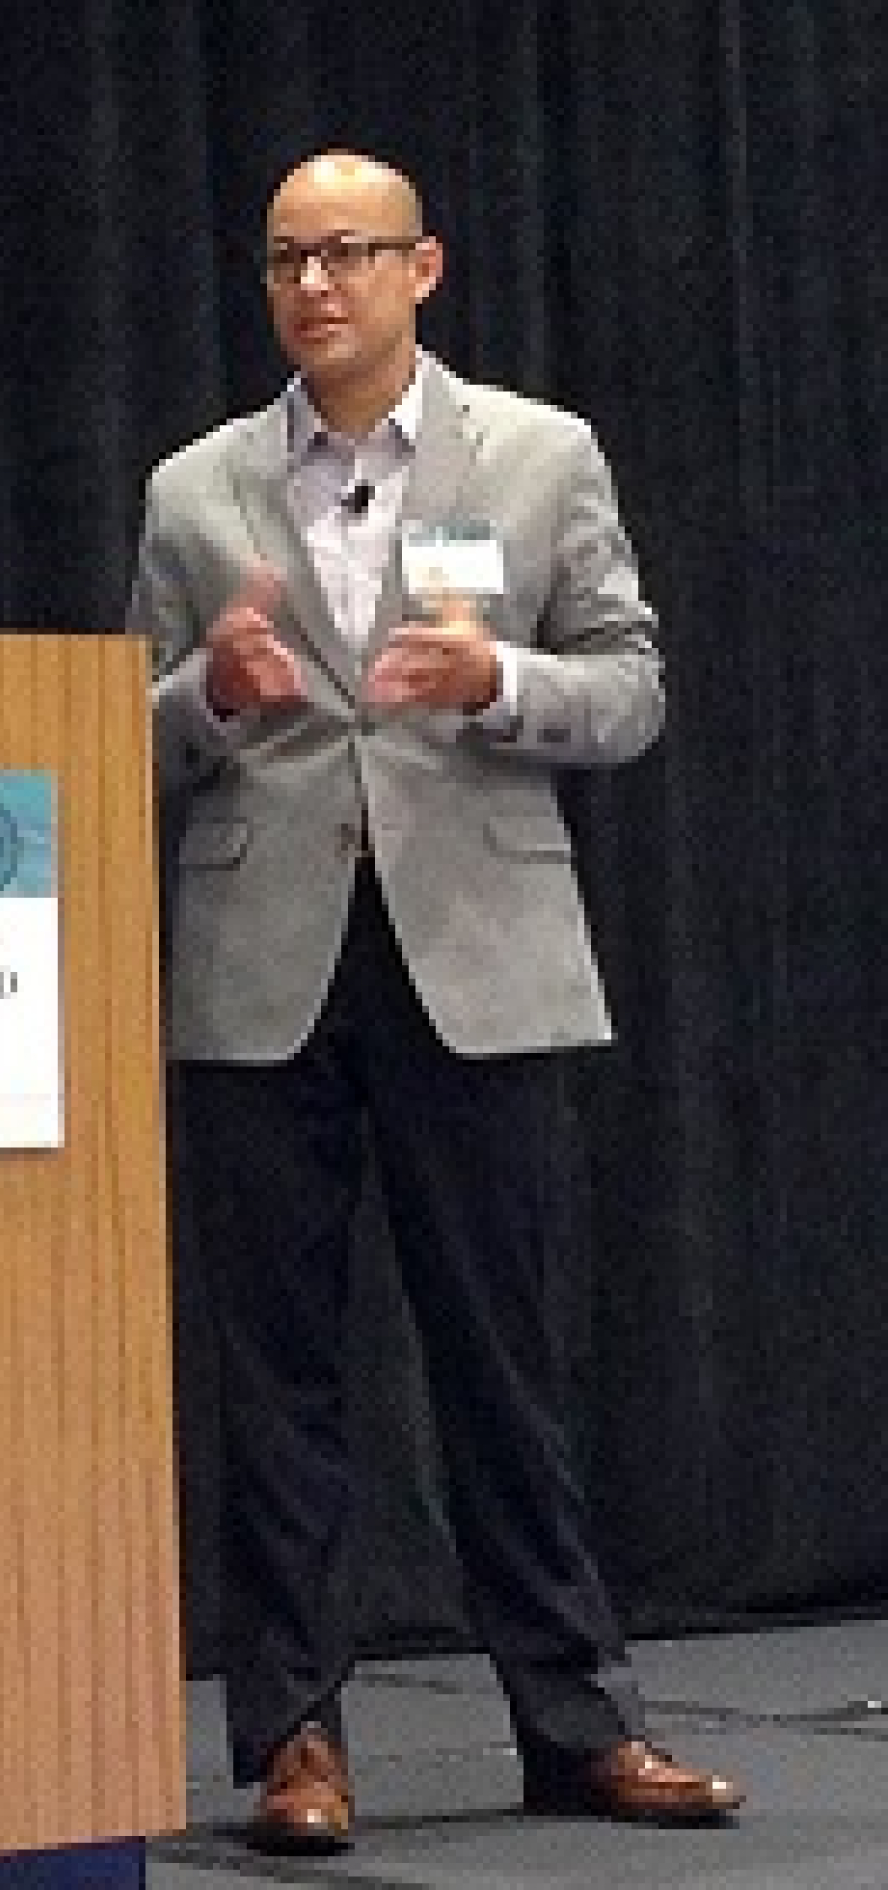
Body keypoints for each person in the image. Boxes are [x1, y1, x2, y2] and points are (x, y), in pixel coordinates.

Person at [127, 149, 745, 1854]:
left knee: (504, 1365)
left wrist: (498, 680)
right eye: (283, 259)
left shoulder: (537, 455)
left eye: (347, 253)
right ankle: (295, 1742)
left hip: (478, 959)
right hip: (263, 972)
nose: (313, 284)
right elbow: (122, 730)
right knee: (279, 1379)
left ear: (424, 268)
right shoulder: (196, 488)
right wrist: (206, 693)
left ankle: (575, 1721)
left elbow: (628, 686)